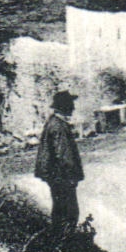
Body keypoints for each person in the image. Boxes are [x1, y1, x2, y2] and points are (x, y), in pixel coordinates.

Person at [35, 90, 83, 230]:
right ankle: (65, 240)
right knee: (69, 212)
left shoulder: (54, 123)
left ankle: (60, 237)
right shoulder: (58, 126)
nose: (73, 108)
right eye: (71, 104)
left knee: (60, 209)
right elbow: (63, 155)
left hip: (56, 175)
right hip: (61, 176)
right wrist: (71, 176)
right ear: (65, 106)